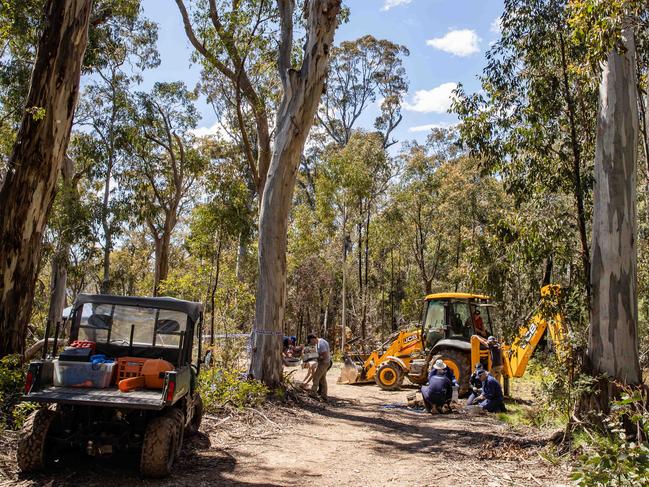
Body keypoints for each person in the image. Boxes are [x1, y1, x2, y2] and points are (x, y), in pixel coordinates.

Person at [307, 333, 331, 401]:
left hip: (324, 363)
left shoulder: (321, 343)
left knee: (316, 377)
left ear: (313, 339)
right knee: (322, 379)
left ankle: (313, 393)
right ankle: (324, 396)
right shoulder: (319, 342)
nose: (311, 343)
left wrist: (314, 356)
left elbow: (325, 355)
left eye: (311, 341)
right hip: (323, 362)